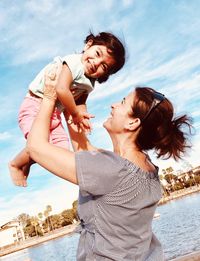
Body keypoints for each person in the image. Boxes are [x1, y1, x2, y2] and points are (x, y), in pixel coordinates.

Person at [26, 70, 192, 261]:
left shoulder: (113, 169)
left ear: (132, 123)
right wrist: (73, 108)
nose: (114, 105)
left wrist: (49, 96)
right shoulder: (148, 169)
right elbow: (87, 156)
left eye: (122, 102)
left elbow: (35, 147)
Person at [9, 31, 126, 187]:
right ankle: (16, 164)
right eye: (97, 53)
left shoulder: (89, 82)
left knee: (59, 150)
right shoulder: (74, 63)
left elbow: (81, 100)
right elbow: (62, 89)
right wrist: (75, 113)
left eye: (103, 66)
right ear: (88, 44)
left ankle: (29, 161)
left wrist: (82, 114)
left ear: (105, 74)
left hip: (54, 114)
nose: (96, 63)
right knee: (38, 143)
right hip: (34, 105)